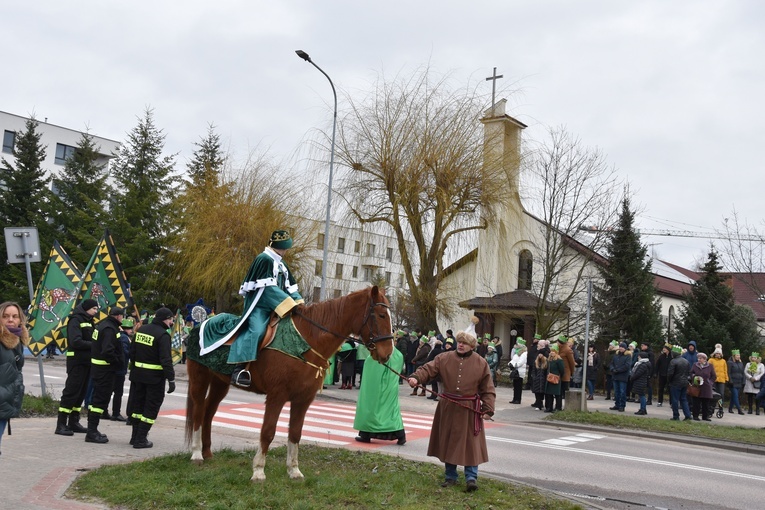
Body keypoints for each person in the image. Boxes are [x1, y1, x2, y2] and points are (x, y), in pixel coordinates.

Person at [199, 230, 304, 388]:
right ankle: (239, 369)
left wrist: (300, 303)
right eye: (285, 247)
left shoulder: (281, 264)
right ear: (278, 246)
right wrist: (289, 304)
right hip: (260, 307)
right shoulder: (264, 259)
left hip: (279, 305)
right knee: (257, 331)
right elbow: (268, 290)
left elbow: (291, 288)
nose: (286, 250)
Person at [407, 326, 495, 493]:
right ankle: (450, 476)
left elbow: (487, 388)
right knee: (449, 441)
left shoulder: (481, 363)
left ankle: (471, 477)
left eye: (465, 343)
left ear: (472, 346)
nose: (460, 345)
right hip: (448, 406)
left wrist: (488, 407)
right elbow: (428, 368)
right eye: (459, 342)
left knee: (470, 443)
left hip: (469, 408)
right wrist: (416, 377)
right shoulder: (443, 358)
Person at [128, 307, 176, 448]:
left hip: (138, 376)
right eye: (171, 319)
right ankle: (141, 439)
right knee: (151, 408)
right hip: (154, 379)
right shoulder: (163, 335)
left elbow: (132, 353)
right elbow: (166, 360)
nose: (172, 322)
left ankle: (134, 436)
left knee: (138, 407)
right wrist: (171, 379)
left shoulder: (141, 330)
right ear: (166, 319)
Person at [56, 298, 99, 436]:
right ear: (86, 308)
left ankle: (73, 422)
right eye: (94, 308)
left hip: (87, 362)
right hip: (77, 362)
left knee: (81, 392)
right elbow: (75, 341)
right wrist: (95, 345)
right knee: (71, 391)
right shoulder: (76, 320)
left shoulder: (90, 321)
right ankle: (61, 424)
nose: (96, 311)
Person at [86, 306, 126, 443]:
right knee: (99, 401)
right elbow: (108, 351)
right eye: (122, 316)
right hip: (105, 370)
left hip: (99, 369)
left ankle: (92, 430)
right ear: (118, 316)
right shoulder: (110, 328)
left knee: (97, 400)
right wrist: (118, 362)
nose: (123, 318)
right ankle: (91, 432)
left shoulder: (103, 325)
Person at [354, 347, 406, 445]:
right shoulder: (397, 354)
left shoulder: (378, 355)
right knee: (391, 409)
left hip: (376, 388)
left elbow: (372, 373)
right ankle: (400, 435)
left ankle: (366, 434)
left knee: (372, 407)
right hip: (390, 387)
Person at [0, 302, 28, 455]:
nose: (10, 319)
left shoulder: (15, 341)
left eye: (14, 316)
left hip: (5, 407)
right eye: (5, 316)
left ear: (20, 320)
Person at [110, 317, 134, 421]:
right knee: (118, 393)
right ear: (125, 329)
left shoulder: (120, 335)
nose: (131, 331)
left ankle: (105, 411)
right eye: (130, 329)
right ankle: (116, 413)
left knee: (111, 391)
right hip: (120, 369)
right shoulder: (124, 338)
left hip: (115, 368)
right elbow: (124, 352)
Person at [667, 345, 692, 421]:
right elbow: (688, 372)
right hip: (684, 382)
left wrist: (669, 381)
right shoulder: (686, 361)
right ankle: (688, 415)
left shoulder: (673, 361)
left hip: (675, 383)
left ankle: (676, 416)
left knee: (675, 400)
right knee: (683, 399)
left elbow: (670, 373)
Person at [690, 352, 716, 421]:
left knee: (706, 403)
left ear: (704, 359)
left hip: (706, 387)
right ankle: (695, 415)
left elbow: (713, 376)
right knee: (696, 402)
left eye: (700, 358)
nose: (699, 359)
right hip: (697, 386)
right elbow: (691, 373)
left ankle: (705, 416)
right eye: (698, 358)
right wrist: (694, 377)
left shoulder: (710, 366)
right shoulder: (695, 365)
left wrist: (710, 382)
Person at [609, 342, 631, 412]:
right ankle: (617, 404)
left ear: (625, 348)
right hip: (615, 376)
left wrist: (618, 370)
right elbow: (611, 363)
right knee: (616, 392)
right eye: (620, 347)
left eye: (623, 347)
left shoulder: (628, 356)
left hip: (623, 376)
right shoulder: (616, 355)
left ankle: (622, 405)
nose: (621, 348)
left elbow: (627, 366)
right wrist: (612, 369)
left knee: (622, 392)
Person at [544, 343, 565, 413]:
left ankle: (558, 407)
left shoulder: (559, 360)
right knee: (549, 394)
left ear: (556, 352)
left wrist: (558, 376)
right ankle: (549, 407)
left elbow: (562, 370)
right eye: (551, 351)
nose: (552, 352)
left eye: (554, 351)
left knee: (557, 394)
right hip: (549, 378)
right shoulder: (549, 360)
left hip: (556, 378)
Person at [708, 343, 728, 409]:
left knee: (721, 394)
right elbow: (708, 369)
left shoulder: (723, 361)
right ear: (714, 354)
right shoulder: (711, 360)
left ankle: (720, 405)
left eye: (719, 353)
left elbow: (725, 370)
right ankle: (712, 405)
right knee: (713, 393)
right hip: (713, 379)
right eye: (716, 353)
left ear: (721, 354)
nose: (717, 355)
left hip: (721, 379)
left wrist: (726, 378)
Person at [508, 338, 527, 404]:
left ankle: (518, 399)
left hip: (520, 371)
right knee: (515, 386)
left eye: (517, 344)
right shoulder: (517, 352)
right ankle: (514, 398)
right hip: (515, 371)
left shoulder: (524, 353)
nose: (516, 345)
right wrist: (510, 364)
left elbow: (521, 362)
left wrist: (514, 365)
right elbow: (513, 360)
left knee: (519, 386)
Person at [727, 349, 745, 415]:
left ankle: (730, 408)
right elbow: (728, 372)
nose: (738, 356)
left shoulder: (740, 363)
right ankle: (739, 409)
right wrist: (730, 380)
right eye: (737, 355)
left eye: (739, 355)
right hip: (733, 382)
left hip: (739, 381)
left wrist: (743, 381)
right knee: (735, 395)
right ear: (734, 356)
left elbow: (743, 373)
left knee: (733, 396)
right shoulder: (730, 363)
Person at [557, 336, 576, 402]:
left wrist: (572, 372)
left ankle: (566, 406)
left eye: (558, 342)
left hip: (565, 373)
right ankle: (558, 406)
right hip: (558, 373)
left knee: (564, 392)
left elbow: (572, 362)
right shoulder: (558, 348)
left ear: (560, 343)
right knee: (558, 392)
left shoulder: (568, 350)